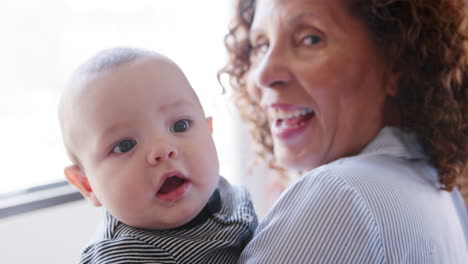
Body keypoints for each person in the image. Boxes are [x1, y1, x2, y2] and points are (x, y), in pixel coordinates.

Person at [220, 0, 468, 262]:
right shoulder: (439, 191)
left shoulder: (338, 195)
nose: (263, 74)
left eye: (310, 39)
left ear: (397, 61)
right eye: (261, 45)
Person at [58, 47, 257, 264]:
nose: (162, 150)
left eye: (180, 125)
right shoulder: (125, 256)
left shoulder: (222, 191)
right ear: (87, 185)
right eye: (125, 145)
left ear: (208, 130)